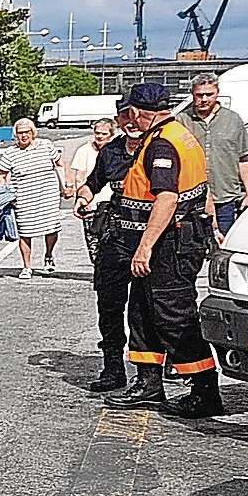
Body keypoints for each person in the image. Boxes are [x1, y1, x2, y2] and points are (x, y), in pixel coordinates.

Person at [105, 84, 222, 417]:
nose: (129, 120)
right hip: (174, 240)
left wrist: (144, 248)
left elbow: (167, 198)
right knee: (142, 311)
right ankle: (148, 384)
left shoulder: (163, 144)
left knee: (173, 316)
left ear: (142, 112)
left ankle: (203, 389)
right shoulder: (180, 135)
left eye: (131, 113)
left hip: (169, 245)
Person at [74, 115, 141, 392]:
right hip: (115, 237)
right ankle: (113, 367)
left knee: (144, 310)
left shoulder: (156, 147)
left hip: (150, 239)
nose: (133, 122)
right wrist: (83, 195)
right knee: (109, 305)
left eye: (137, 116)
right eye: (127, 117)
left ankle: (149, 373)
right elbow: (93, 182)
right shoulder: (112, 150)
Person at [174, 72, 248, 236]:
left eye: (209, 94)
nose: (204, 99)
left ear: (217, 93)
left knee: (223, 246)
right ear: (192, 95)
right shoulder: (181, 120)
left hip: (225, 196)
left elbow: (243, 159)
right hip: (192, 197)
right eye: (199, 95)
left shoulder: (233, 119)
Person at [0, 118, 68, 277]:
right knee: (25, 232)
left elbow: (59, 164)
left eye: (27, 132)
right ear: (15, 135)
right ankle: (26, 267)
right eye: (20, 133)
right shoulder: (10, 153)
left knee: (51, 228)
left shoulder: (46, 145)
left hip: (48, 194)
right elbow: (2, 175)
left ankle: (48, 255)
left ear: (33, 132)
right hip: (23, 197)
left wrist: (65, 185)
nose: (24, 135)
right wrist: (5, 195)